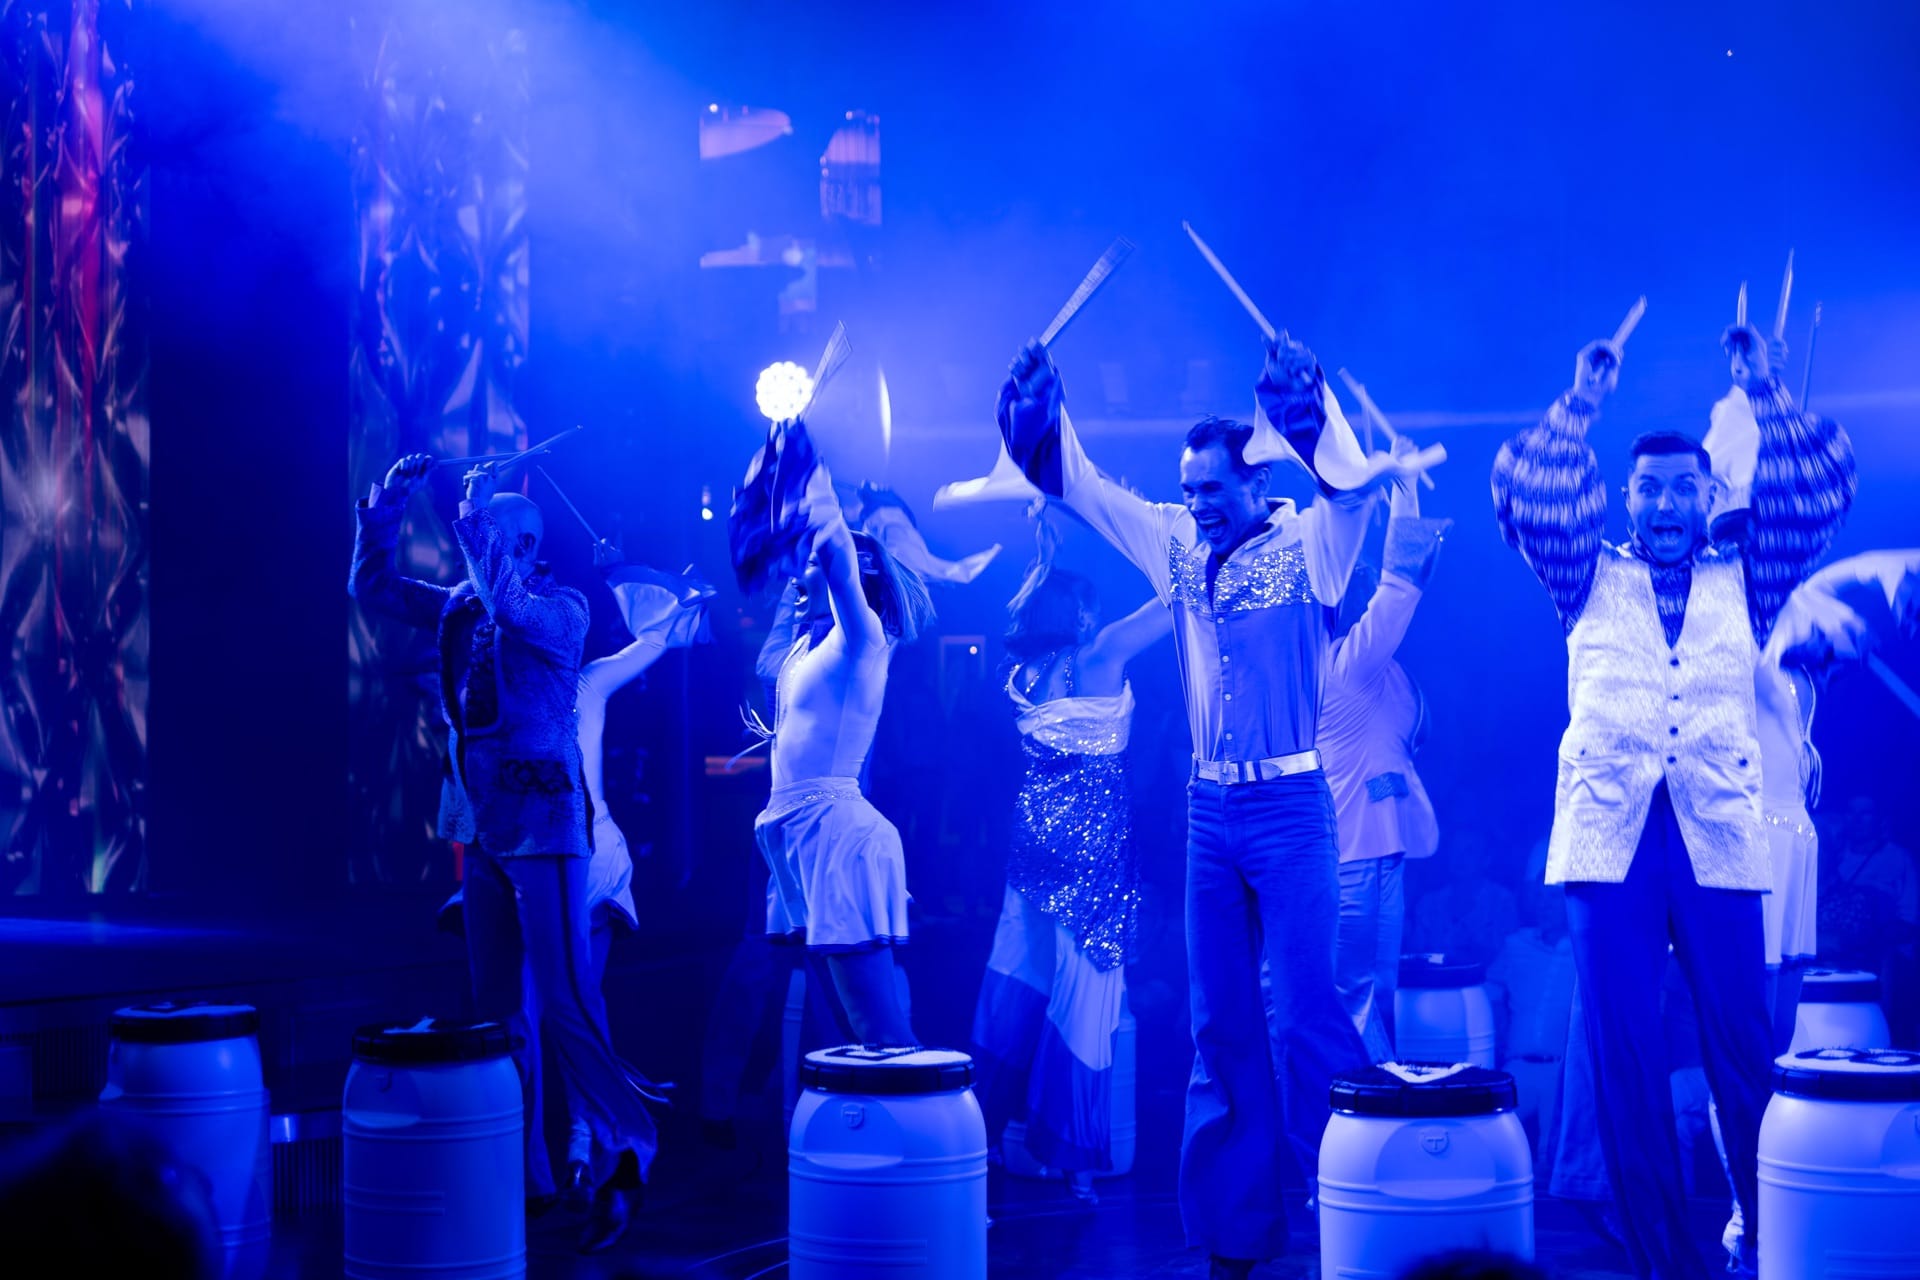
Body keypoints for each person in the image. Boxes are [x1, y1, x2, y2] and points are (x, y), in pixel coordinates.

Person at [983, 335, 1428, 1276]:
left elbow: (1350, 489)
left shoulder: (1314, 543)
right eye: (1189, 491)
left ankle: (1355, 1209)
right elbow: (1083, 487)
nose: (1198, 505)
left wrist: (1303, 402)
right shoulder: (1178, 543)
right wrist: (1038, 407)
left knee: (1306, 1016)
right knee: (1221, 1024)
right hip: (1209, 816)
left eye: (1213, 489)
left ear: (1257, 480)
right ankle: (1236, 1237)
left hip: (1292, 809)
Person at [1490, 321, 1854, 1278]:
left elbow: (1825, 489)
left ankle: (1772, 1238)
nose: (1664, 503)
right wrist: (1582, 401)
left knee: (1743, 1046)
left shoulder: (1751, 580)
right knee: (1625, 1058)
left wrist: (1764, 388)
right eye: (1648, 488)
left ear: (1709, 498)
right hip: (1607, 839)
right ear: (1625, 499)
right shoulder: (1583, 574)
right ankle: (1664, 1264)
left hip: (1718, 834)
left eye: (1683, 488)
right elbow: (1523, 491)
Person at [349, 454, 660, 1252]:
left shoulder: (562, 611)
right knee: (498, 1013)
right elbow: (373, 589)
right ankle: (526, 1179)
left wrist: (473, 511)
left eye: (492, 535)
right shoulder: (462, 603)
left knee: (567, 1000)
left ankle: (628, 1151)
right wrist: (388, 507)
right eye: (478, 534)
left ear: (524, 545)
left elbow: (511, 609)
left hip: (548, 823)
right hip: (487, 830)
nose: (475, 546)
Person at [971, 512, 1171, 1203]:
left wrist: (1045, 550)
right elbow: (1173, 601)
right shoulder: (1099, 656)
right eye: (1093, 607)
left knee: (1018, 973)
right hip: (1090, 853)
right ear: (1081, 615)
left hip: (1033, 844)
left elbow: (1042, 591)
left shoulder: (1023, 672)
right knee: (1086, 994)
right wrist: (1163, 532)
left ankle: (980, 1133)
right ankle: (1073, 1157)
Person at [732, 422, 935, 1045]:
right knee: (847, 1029)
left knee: (880, 1031)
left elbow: (837, 555)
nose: (799, 575)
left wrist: (808, 469)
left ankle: (941, 1113)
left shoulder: (864, 639)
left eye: (811, 566)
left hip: (838, 836)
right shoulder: (803, 650)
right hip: (797, 834)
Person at [1319, 460, 1446, 1059]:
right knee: (1355, 995)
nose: (1371, 589)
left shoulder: (1385, 671)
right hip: (1351, 853)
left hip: (1384, 849)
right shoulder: (1346, 665)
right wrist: (1407, 496)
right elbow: (1401, 591)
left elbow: (1395, 754)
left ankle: (1372, 1093)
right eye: (1361, 583)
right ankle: (1360, 1103)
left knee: (1379, 992)